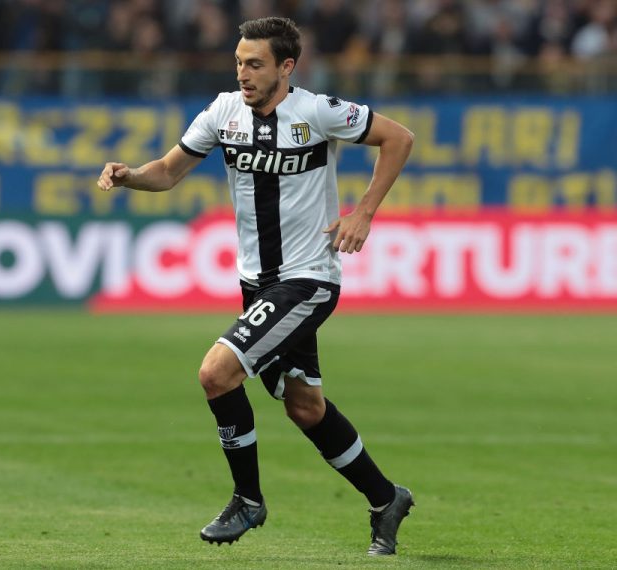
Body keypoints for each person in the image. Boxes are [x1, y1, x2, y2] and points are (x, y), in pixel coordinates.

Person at [97, 16, 415, 557]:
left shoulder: (317, 112)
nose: (243, 73)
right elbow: (168, 171)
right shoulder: (223, 112)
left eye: (255, 64)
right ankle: (387, 499)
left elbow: (398, 138)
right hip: (257, 284)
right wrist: (131, 177)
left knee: (215, 374)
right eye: (239, 62)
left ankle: (247, 499)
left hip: (307, 279)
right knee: (305, 407)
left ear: (286, 67)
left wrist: (363, 212)